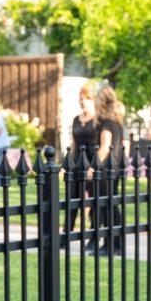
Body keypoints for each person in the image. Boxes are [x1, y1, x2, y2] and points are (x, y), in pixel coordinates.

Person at [90, 85, 124, 257]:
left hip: (104, 170)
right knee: (113, 206)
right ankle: (116, 244)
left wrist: (92, 166)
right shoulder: (117, 122)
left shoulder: (105, 122)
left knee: (106, 207)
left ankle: (109, 246)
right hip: (115, 168)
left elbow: (105, 147)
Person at [68, 84, 96, 232]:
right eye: (81, 98)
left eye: (86, 98)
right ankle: (68, 230)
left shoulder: (97, 120)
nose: (83, 101)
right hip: (77, 162)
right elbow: (73, 143)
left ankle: (92, 232)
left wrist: (94, 166)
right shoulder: (76, 120)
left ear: (93, 100)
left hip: (92, 162)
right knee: (72, 197)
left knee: (92, 198)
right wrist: (68, 162)